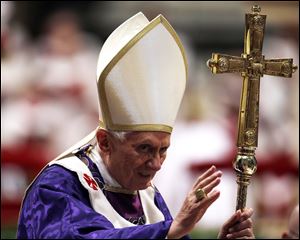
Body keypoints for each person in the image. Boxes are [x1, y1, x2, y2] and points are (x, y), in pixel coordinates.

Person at [17, 12, 255, 239]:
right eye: (144, 149)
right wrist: (166, 232)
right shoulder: (58, 185)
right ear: (105, 142)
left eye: (163, 150)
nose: (157, 164)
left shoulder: (146, 194)